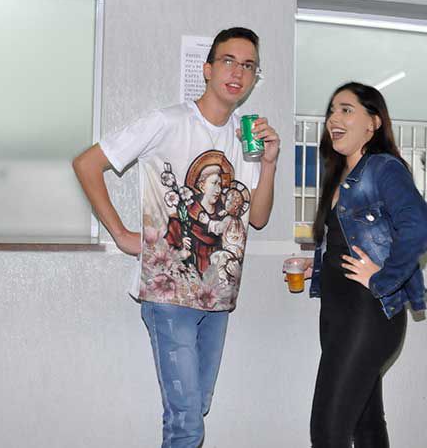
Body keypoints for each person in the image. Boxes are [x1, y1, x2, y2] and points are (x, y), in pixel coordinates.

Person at [72, 27, 279, 448]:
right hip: (168, 296)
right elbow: (87, 164)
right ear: (207, 69)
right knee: (187, 424)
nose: (237, 72)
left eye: (248, 65)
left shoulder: (246, 138)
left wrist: (270, 163)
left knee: (195, 408)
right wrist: (121, 234)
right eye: (228, 61)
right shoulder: (168, 122)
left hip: (218, 299)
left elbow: (257, 218)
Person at [303, 82, 427, 448]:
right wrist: (318, 263)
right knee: (366, 424)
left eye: (346, 109)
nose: (334, 118)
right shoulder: (340, 175)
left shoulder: (382, 168)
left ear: (373, 123)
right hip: (338, 314)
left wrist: (383, 280)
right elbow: (351, 239)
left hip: (368, 314)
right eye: (331, 111)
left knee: (327, 432)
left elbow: (420, 226)